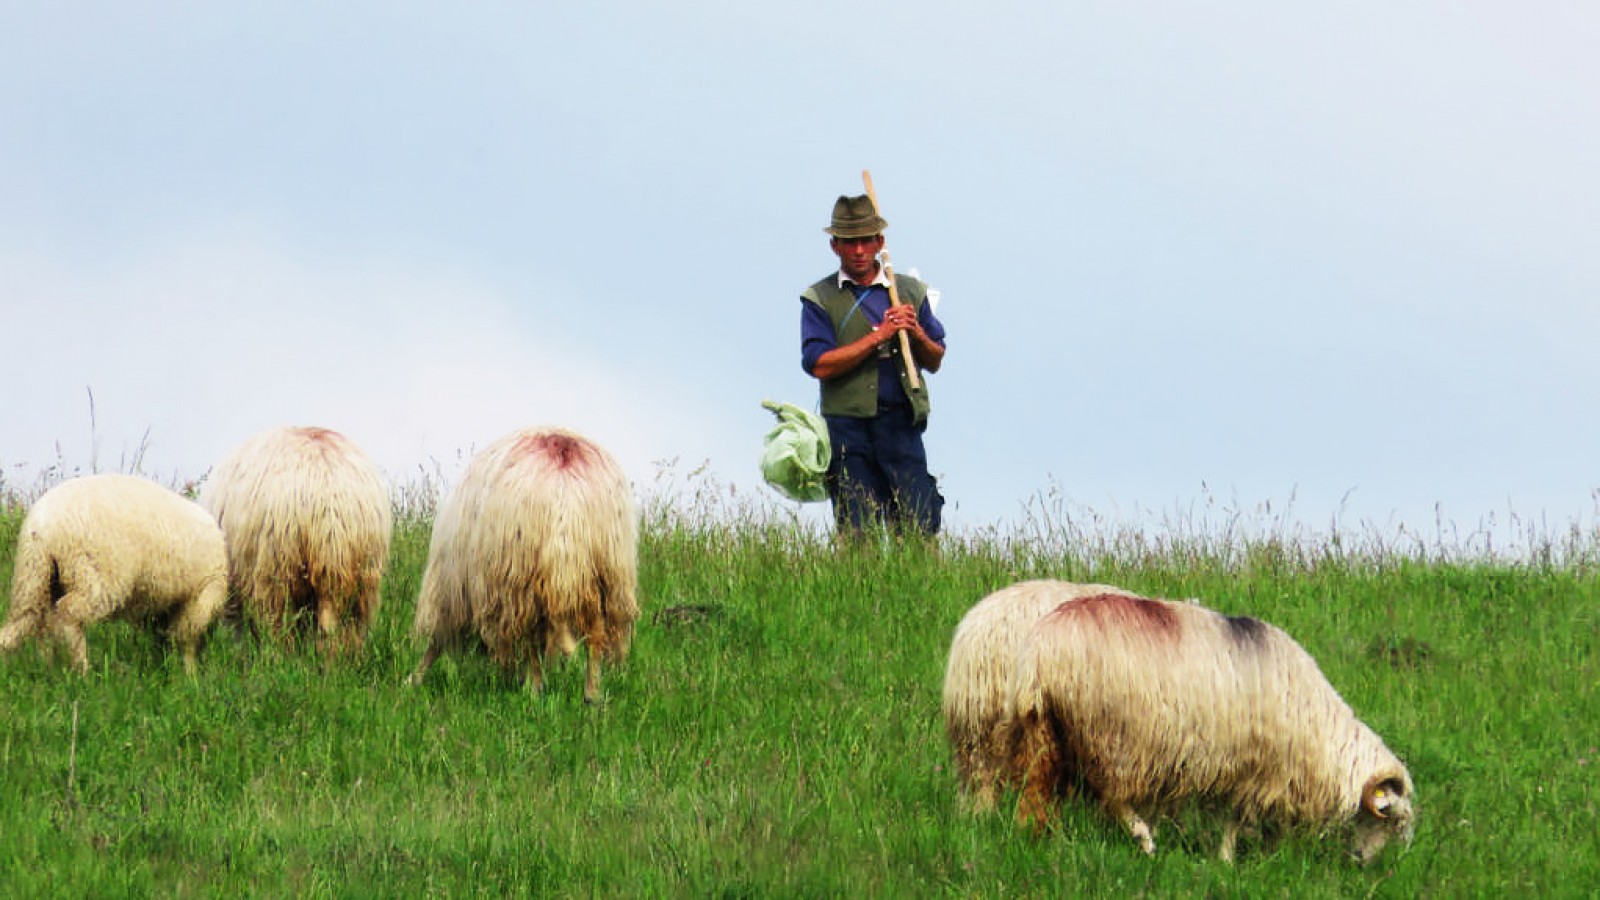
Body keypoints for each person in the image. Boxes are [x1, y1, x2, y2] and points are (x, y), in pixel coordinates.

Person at [799, 194, 947, 537]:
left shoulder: (910, 291)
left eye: (866, 241)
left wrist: (914, 332)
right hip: (847, 426)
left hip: (900, 420)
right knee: (856, 524)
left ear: (880, 243)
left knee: (917, 519)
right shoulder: (819, 298)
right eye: (850, 242)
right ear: (836, 246)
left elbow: (936, 358)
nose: (859, 251)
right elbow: (819, 364)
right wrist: (879, 336)